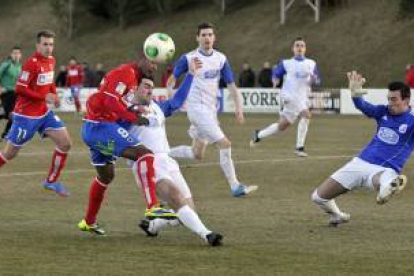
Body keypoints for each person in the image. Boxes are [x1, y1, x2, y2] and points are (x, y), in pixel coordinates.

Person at [78, 52, 176, 236]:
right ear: (142, 57)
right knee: (144, 154)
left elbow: (116, 101)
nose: (154, 67)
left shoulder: (134, 77)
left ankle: (88, 222)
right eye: (152, 62)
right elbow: (109, 100)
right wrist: (133, 117)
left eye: (157, 64)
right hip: (100, 126)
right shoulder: (127, 72)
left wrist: (132, 108)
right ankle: (153, 207)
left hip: (94, 126)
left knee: (105, 176)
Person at [127, 59, 223, 246]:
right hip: (147, 164)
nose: (149, 90)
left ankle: (153, 226)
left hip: (168, 162)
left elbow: (178, 101)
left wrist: (190, 75)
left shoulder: (158, 108)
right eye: (145, 86)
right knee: (177, 199)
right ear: (134, 89)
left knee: (187, 211)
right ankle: (207, 234)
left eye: (151, 87)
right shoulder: (126, 111)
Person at [167, 22, 257, 197]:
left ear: (214, 38)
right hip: (197, 110)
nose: (207, 38)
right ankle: (235, 186)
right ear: (197, 38)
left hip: (210, 111)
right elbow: (171, 80)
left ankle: (161, 153)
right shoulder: (188, 58)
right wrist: (172, 99)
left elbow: (232, 86)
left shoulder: (221, 59)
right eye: (203, 35)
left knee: (196, 153)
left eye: (210, 35)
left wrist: (239, 108)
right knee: (225, 143)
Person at [311, 71, 410, 226]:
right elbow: (363, 106)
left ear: (406, 100)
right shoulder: (383, 111)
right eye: (389, 99)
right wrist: (355, 94)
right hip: (359, 163)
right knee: (318, 197)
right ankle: (339, 216)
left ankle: (389, 186)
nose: (390, 103)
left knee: (385, 179)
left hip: (383, 169)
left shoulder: (411, 122)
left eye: (394, 99)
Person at [0, 30, 72, 196]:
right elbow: (20, 88)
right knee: (9, 154)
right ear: (38, 45)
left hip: (44, 113)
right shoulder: (31, 64)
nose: (48, 48)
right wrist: (43, 96)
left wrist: (53, 95)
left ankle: (51, 182)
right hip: (26, 116)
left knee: (65, 143)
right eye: (45, 44)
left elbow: (50, 80)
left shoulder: (52, 60)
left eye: (51, 44)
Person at [250, 37, 321, 157]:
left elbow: (318, 81)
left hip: (302, 98)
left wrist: (315, 79)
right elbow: (276, 74)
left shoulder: (311, 63)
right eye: (297, 45)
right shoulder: (286, 63)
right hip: (288, 96)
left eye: (302, 45)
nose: (299, 48)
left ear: (305, 49)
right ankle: (300, 148)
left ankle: (258, 135)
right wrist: (275, 81)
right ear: (293, 49)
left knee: (282, 125)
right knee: (306, 115)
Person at [0, 45, 22, 140]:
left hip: (15, 95)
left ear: (21, 55)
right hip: (5, 94)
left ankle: (5, 134)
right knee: (4, 114)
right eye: (14, 53)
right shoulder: (6, 65)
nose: (16, 55)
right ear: (11, 54)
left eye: (18, 53)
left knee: (14, 116)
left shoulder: (20, 67)